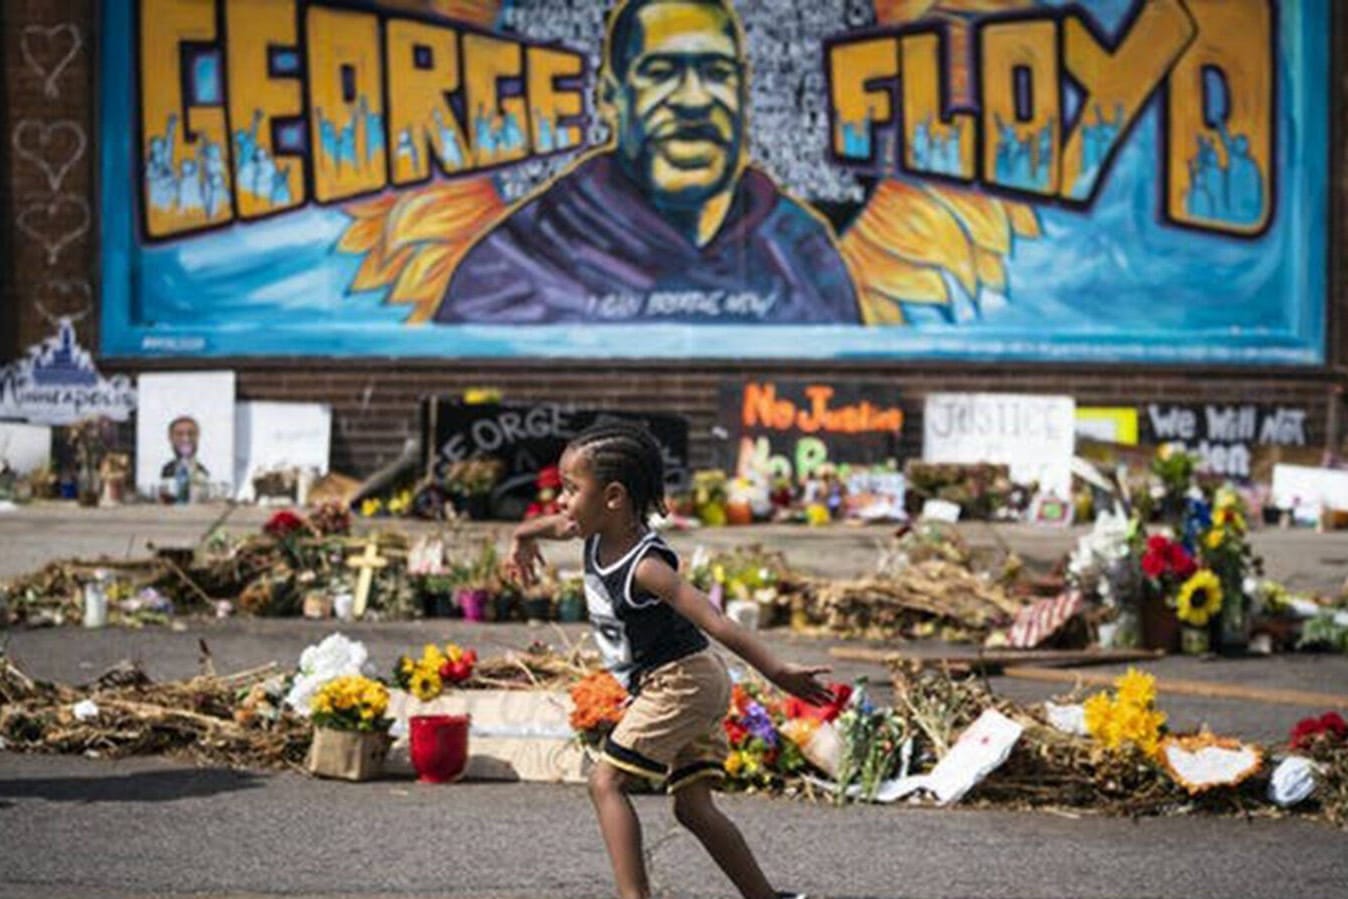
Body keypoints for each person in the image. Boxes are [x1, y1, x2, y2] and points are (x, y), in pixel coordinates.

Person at [507, 420, 829, 899]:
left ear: (613, 497)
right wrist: (522, 534)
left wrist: (778, 671)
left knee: (605, 782)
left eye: (570, 489)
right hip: (684, 680)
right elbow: (557, 525)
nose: (561, 501)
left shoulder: (647, 566)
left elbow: (715, 620)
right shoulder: (592, 531)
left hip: (682, 682)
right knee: (692, 807)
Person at [434, 0, 859, 325]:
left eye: (716, 71)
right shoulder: (520, 259)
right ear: (609, 97)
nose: (694, 100)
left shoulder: (801, 249)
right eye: (659, 72)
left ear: (744, 92)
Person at [159, 415, 209, 503]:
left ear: (197, 436)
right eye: (179, 434)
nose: (186, 439)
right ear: (170, 438)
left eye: (191, 434)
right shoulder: (166, 470)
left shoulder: (204, 471)